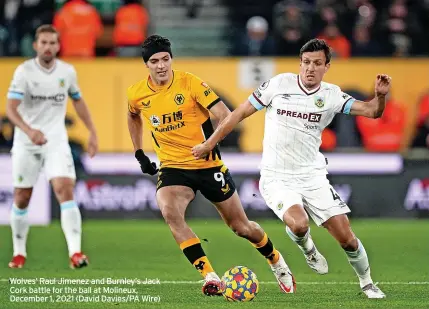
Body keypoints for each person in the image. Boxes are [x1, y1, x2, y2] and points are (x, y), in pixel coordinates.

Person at [192, 38, 391, 299]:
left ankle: (367, 283)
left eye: (317, 63)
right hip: (277, 176)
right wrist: (209, 143)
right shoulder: (278, 85)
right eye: (306, 62)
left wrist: (380, 96)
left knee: (347, 239)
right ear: (300, 63)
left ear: (327, 66)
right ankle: (308, 249)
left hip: (313, 176)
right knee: (299, 225)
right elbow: (238, 114)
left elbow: (372, 112)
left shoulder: (331, 95)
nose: (310, 68)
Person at [127, 34, 295, 296]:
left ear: (171, 59)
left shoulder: (190, 83)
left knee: (241, 227)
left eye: (165, 59)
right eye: (154, 61)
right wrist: (139, 154)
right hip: (173, 167)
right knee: (170, 212)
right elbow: (133, 116)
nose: (161, 65)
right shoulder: (136, 93)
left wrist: (209, 144)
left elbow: (225, 116)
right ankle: (210, 276)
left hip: (207, 164)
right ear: (146, 64)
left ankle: (276, 260)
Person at [6, 24, 98, 269]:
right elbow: (11, 110)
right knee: (22, 196)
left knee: (64, 188)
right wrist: (29, 131)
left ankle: (76, 253)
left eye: (52, 43)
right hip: (27, 142)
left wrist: (92, 131)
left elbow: (78, 102)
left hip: (56, 141)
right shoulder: (24, 71)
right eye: (43, 42)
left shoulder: (67, 72)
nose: (48, 47)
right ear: (36, 45)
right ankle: (19, 252)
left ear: (59, 46)